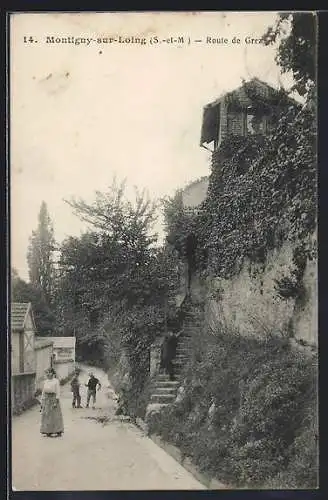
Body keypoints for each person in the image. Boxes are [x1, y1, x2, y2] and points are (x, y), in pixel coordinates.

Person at [40, 368, 64, 437]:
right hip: (46, 399)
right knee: (47, 415)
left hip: (53, 398)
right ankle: (48, 431)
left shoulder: (56, 381)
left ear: (53, 374)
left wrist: (56, 400)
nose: (48, 374)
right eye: (47, 373)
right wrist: (42, 401)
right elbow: (43, 392)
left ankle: (58, 431)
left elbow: (58, 391)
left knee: (55, 415)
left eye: (49, 372)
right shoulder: (45, 381)